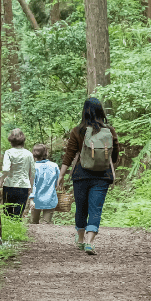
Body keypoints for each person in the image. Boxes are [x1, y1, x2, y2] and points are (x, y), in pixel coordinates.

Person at [57, 97, 119, 255]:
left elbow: (69, 155)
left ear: (84, 111)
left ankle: (80, 239)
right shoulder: (109, 131)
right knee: (95, 209)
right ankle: (90, 242)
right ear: (101, 111)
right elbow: (115, 155)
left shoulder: (77, 130)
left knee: (81, 208)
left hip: (81, 175)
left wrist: (61, 175)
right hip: (102, 176)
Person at [0, 128, 35, 218]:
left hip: (9, 185)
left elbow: (6, 169)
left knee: (7, 213)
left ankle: (9, 231)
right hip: (23, 186)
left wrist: (1, 180)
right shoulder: (29, 154)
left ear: (11, 140)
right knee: (18, 214)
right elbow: (32, 173)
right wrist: (31, 187)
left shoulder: (8, 152)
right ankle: (17, 230)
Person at [28, 144, 59, 224]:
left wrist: (31, 199)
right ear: (46, 153)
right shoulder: (54, 166)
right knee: (46, 225)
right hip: (50, 199)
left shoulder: (33, 167)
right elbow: (58, 183)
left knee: (33, 224)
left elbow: (32, 184)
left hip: (35, 200)